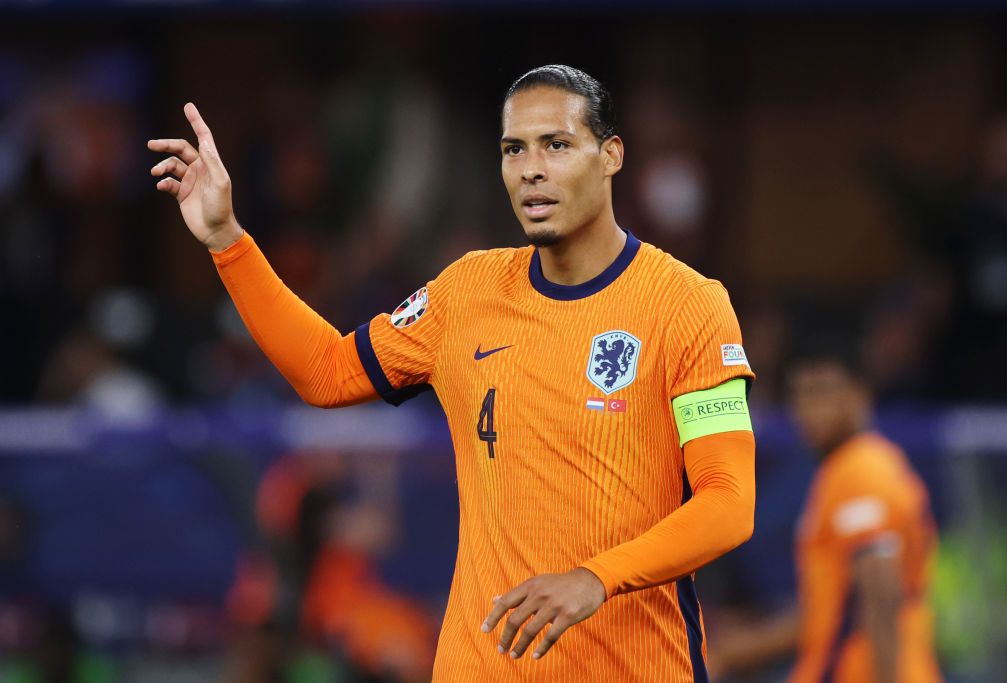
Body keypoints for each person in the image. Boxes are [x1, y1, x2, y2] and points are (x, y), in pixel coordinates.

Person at [148, 64, 756, 682]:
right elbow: (327, 372)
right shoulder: (467, 292)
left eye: (557, 145)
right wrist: (227, 238)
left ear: (611, 155)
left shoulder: (687, 305)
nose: (531, 169)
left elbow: (729, 503)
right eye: (514, 149)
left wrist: (596, 578)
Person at [712, 341, 941, 683]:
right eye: (800, 395)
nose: (809, 409)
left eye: (822, 392)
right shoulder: (842, 471)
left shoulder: (861, 470)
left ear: (859, 394)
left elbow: (880, 592)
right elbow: (830, 611)